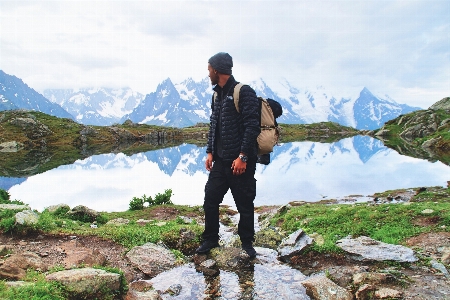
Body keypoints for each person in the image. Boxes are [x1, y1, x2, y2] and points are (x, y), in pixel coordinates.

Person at [196, 52, 260, 258]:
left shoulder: (244, 92)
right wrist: (209, 152)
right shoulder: (216, 95)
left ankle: (247, 244)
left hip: (240, 162)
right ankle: (210, 239)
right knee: (210, 200)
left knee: (244, 204)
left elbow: (252, 126)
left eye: (209, 70)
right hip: (220, 162)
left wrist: (243, 157)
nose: (208, 75)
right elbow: (213, 125)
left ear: (216, 70)